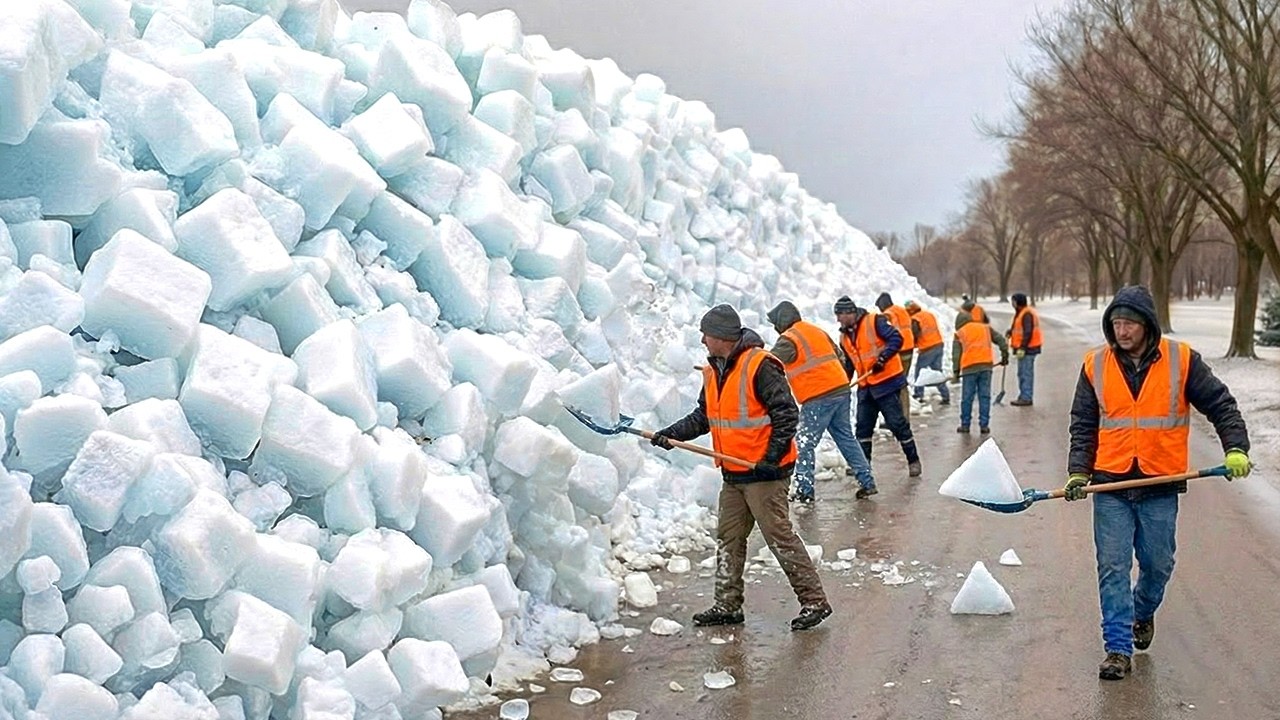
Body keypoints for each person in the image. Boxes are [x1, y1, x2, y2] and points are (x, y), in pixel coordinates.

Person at [1062, 285, 1251, 681]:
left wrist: (1236, 447)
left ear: (1147, 324)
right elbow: (1083, 424)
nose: (1122, 330)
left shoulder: (1181, 360)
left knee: (1157, 565)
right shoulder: (1095, 365)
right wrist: (1079, 470)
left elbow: (1220, 404)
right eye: (1115, 323)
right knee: (1112, 567)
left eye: (1129, 322)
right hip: (1110, 484)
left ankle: (1142, 611)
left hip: (1160, 481)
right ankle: (1117, 648)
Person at [651, 304, 833, 631]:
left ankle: (814, 600)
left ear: (721, 335)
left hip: (765, 473)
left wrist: (772, 458)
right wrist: (671, 434)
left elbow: (786, 414)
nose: (702, 340)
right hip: (733, 473)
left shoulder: (760, 366)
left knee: (779, 536)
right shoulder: (712, 370)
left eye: (706, 334)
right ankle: (727, 605)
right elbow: (704, 416)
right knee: (728, 538)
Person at [766, 300, 878, 503]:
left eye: (776, 324)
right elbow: (840, 355)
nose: (775, 329)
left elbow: (766, 365)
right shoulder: (815, 331)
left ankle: (804, 490)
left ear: (781, 322)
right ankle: (867, 481)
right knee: (845, 437)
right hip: (840, 390)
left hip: (819, 396)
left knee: (803, 443)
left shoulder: (788, 338)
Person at [834, 295, 922, 477]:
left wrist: (883, 358)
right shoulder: (843, 336)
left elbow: (896, 339)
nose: (837, 319)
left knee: (897, 424)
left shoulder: (875, 321)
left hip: (887, 383)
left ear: (849, 313)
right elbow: (850, 363)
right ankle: (863, 466)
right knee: (863, 428)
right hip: (866, 388)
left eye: (839, 315)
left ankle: (913, 460)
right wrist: (844, 383)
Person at [951, 310, 1008, 434]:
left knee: (967, 398)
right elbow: (1001, 341)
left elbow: (956, 355)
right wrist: (1005, 356)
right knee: (984, 396)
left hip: (969, 369)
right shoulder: (985, 328)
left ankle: (965, 425)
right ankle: (984, 425)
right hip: (986, 367)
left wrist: (956, 372)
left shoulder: (959, 333)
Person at [875, 292, 916, 417]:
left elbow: (885, 334)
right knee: (902, 383)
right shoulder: (902, 310)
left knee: (895, 385)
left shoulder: (888, 314)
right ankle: (904, 416)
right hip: (909, 348)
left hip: (898, 350)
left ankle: (898, 418)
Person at [906, 300, 949, 405]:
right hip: (938, 345)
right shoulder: (928, 314)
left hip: (927, 349)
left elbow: (915, 334)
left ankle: (918, 395)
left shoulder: (915, 319)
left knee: (920, 372)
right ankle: (945, 395)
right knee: (937, 373)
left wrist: (911, 345)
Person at [1007, 293, 1042, 407]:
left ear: (1018, 302)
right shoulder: (1021, 313)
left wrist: (1022, 347)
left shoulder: (1026, 314)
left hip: (1028, 349)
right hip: (1025, 348)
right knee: (1022, 373)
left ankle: (1026, 397)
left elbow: (1028, 332)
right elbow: (1019, 329)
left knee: (1025, 373)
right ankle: (1024, 395)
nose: (1012, 304)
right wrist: (1010, 332)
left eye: (1013, 301)